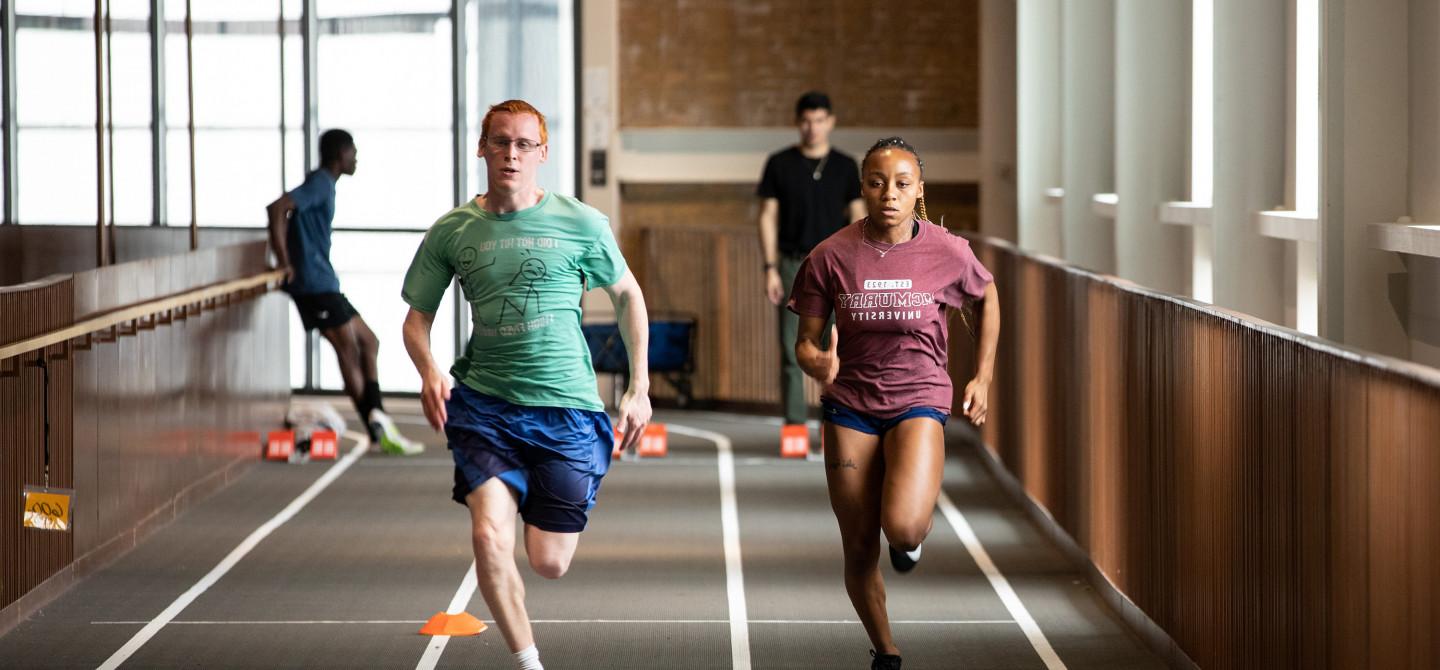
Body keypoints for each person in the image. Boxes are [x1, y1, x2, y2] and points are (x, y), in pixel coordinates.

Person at [400, 100, 652, 670]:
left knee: (548, 561)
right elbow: (417, 318)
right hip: (484, 405)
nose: (510, 155)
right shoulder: (453, 231)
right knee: (489, 538)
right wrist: (430, 370)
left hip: (566, 410)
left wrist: (638, 385)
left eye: (523, 145)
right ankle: (528, 663)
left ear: (541, 152)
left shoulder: (582, 223)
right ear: (482, 147)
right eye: (500, 142)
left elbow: (629, 296)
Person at [788, 137, 1001, 670]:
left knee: (902, 527)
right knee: (859, 548)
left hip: (919, 397)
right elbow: (806, 341)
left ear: (918, 191)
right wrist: (816, 363)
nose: (889, 194)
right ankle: (887, 652)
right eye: (878, 183)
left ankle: (909, 542)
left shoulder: (947, 250)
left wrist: (984, 376)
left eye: (902, 184)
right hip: (850, 404)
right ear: (862, 188)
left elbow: (987, 295)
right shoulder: (830, 255)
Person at [267, 129, 423, 456]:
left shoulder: (326, 185)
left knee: (369, 341)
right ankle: (376, 427)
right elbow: (277, 208)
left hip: (326, 282)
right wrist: (285, 263)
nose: (356, 158)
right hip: (313, 285)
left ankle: (380, 421)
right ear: (340, 154)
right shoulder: (321, 183)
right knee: (348, 350)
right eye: (353, 152)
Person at [757, 91, 867, 437]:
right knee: (793, 349)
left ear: (830, 122)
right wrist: (770, 267)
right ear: (797, 122)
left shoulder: (846, 166)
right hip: (793, 264)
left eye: (819, 120)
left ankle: (837, 422)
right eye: (806, 120)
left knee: (843, 347)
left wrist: (863, 266)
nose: (812, 127)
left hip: (840, 267)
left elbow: (858, 216)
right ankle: (794, 426)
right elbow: (767, 217)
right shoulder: (779, 164)